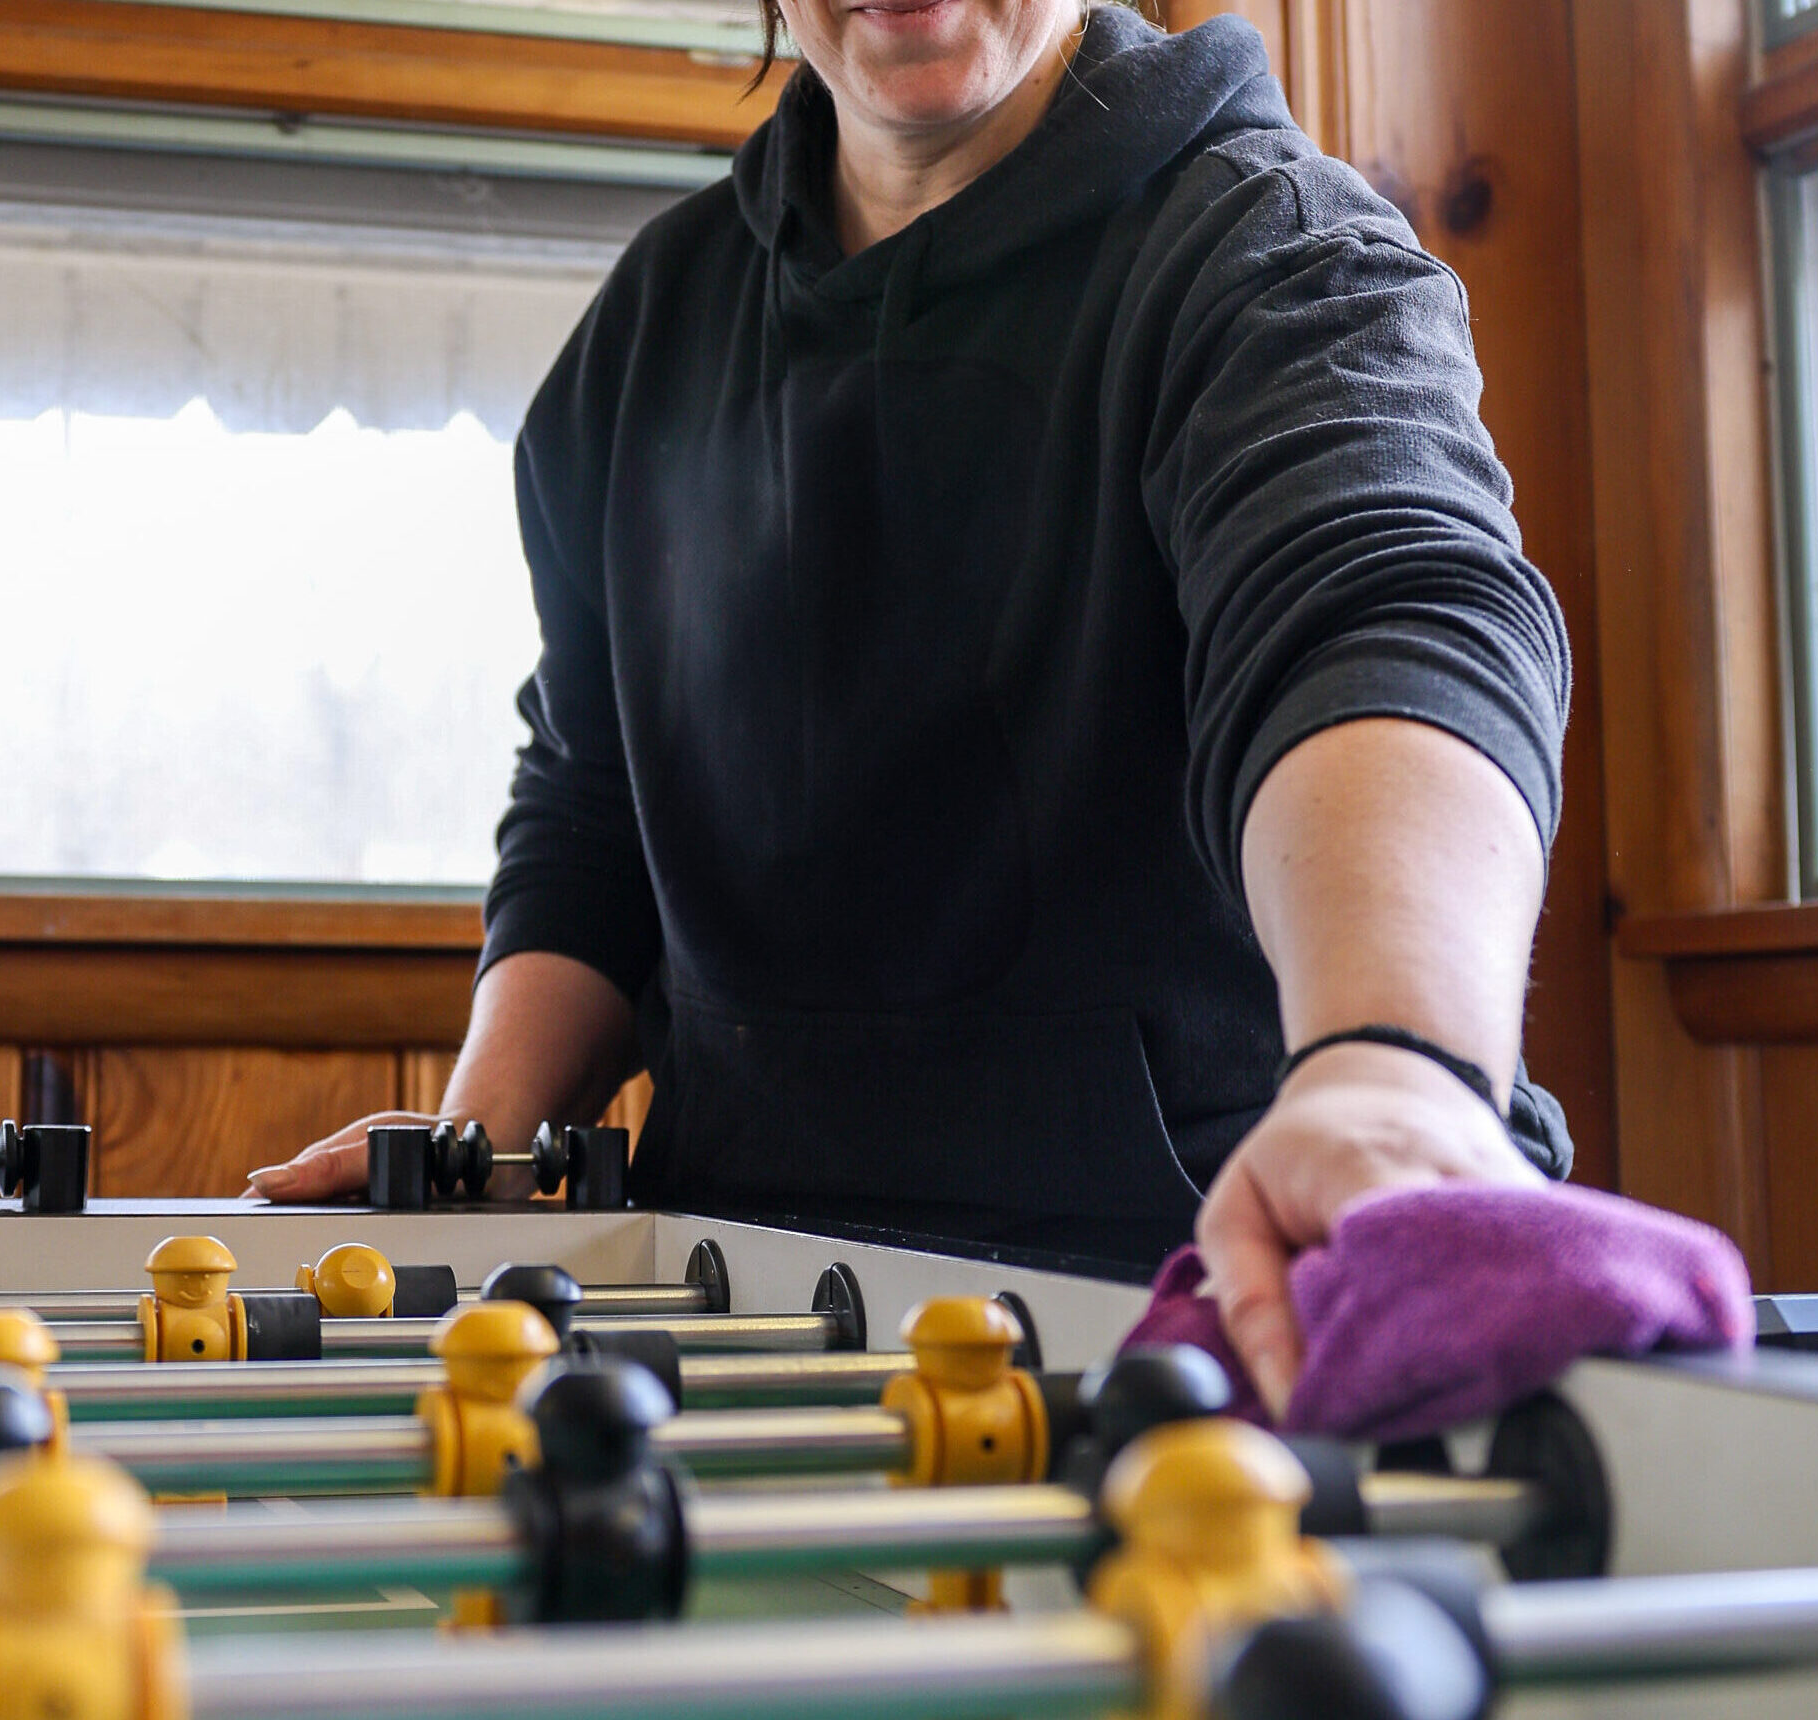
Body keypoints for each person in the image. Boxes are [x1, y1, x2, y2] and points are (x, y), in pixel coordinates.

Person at [248, 0, 1573, 1417]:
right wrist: (481, 1133)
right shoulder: (652, 324)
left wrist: (1397, 1066)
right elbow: (594, 794)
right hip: (737, 1318)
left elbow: (1381, 618)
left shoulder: (1270, 254)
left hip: (1203, 1331)